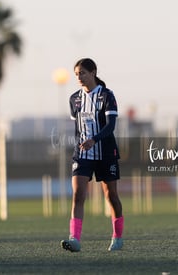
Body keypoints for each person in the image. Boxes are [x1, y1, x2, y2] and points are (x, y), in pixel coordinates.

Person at [61, 58, 124, 252]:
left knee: (110, 195)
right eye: (77, 74)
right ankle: (75, 239)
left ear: (93, 72)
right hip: (82, 154)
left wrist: (94, 140)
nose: (79, 77)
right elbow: (77, 128)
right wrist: (80, 145)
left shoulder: (107, 96)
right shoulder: (74, 99)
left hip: (105, 152)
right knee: (78, 194)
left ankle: (117, 236)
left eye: (83, 73)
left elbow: (111, 126)